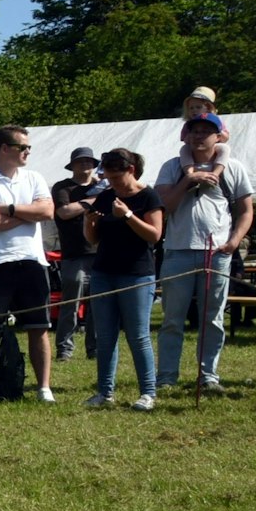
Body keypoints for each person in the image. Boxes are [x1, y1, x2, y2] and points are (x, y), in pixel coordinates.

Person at [155, 111, 253, 391]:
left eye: (206, 131)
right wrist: (189, 180)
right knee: (172, 320)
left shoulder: (233, 167)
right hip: (177, 251)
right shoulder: (172, 167)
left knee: (213, 318)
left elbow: (246, 211)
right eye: (194, 130)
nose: (199, 135)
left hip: (217, 253)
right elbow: (166, 206)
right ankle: (166, 377)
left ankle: (208, 376)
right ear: (186, 135)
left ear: (218, 136)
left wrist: (234, 242)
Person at [0, 125, 58, 402]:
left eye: (29, 147)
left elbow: (47, 211)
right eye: (23, 147)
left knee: (38, 327)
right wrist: (29, 214)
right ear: (4, 149)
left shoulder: (34, 178)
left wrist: (9, 209)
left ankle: (43, 388)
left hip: (32, 262)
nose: (28, 152)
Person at [82, 148, 166, 411]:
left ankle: (148, 393)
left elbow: (154, 235)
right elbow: (93, 239)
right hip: (103, 273)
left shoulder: (149, 196)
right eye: (108, 177)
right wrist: (89, 222)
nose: (113, 183)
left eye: (116, 177)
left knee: (138, 336)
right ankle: (104, 393)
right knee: (105, 336)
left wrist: (128, 215)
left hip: (137, 274)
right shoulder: (106, 197)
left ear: (131, 170)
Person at [50, 147, 103, 362]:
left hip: (100, 252)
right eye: (81, 161)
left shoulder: (103, 185)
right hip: (74, 254)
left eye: (89, 161)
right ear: (72, 165)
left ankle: (95, 348)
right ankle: (65, 349)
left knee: (98, 304)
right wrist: (92, 201)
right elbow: (64, 212)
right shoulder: (63, 187)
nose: (86, 164)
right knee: (71, 304)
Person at [179, 86, 230, 170]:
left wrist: (218, 132)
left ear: (209, 108)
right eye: (191, 108)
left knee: (224, 148)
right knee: (184, 149)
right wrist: (189, 137)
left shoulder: (217, 121)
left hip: (213, 147)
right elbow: (184, 139)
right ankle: (189, 170)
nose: (194, 110)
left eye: (198, 107)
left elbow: (225, 138)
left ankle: (217, 171)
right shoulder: (188, 123)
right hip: (194, 149)